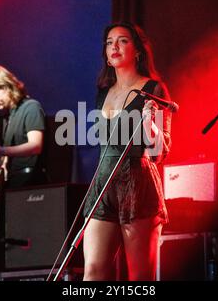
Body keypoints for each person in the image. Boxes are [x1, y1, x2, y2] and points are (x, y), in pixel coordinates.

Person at [82, 22, 172, 281]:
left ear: (138, 51)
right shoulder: (102, 93)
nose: (114, 47)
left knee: (140, 277)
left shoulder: (154, 90)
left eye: (122, 41)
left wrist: (148, 124)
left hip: (137, 185)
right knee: (93, 271)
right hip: (104, 185)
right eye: (109, 42)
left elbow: (158, 151)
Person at [0, 64, 47, 273]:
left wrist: (1, 150)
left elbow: (35, 146)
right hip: (12, 190)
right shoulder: (7, 118)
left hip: (30, 187)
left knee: (26, 251)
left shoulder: (31, 107)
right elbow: (4, 163)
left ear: (5, 86)